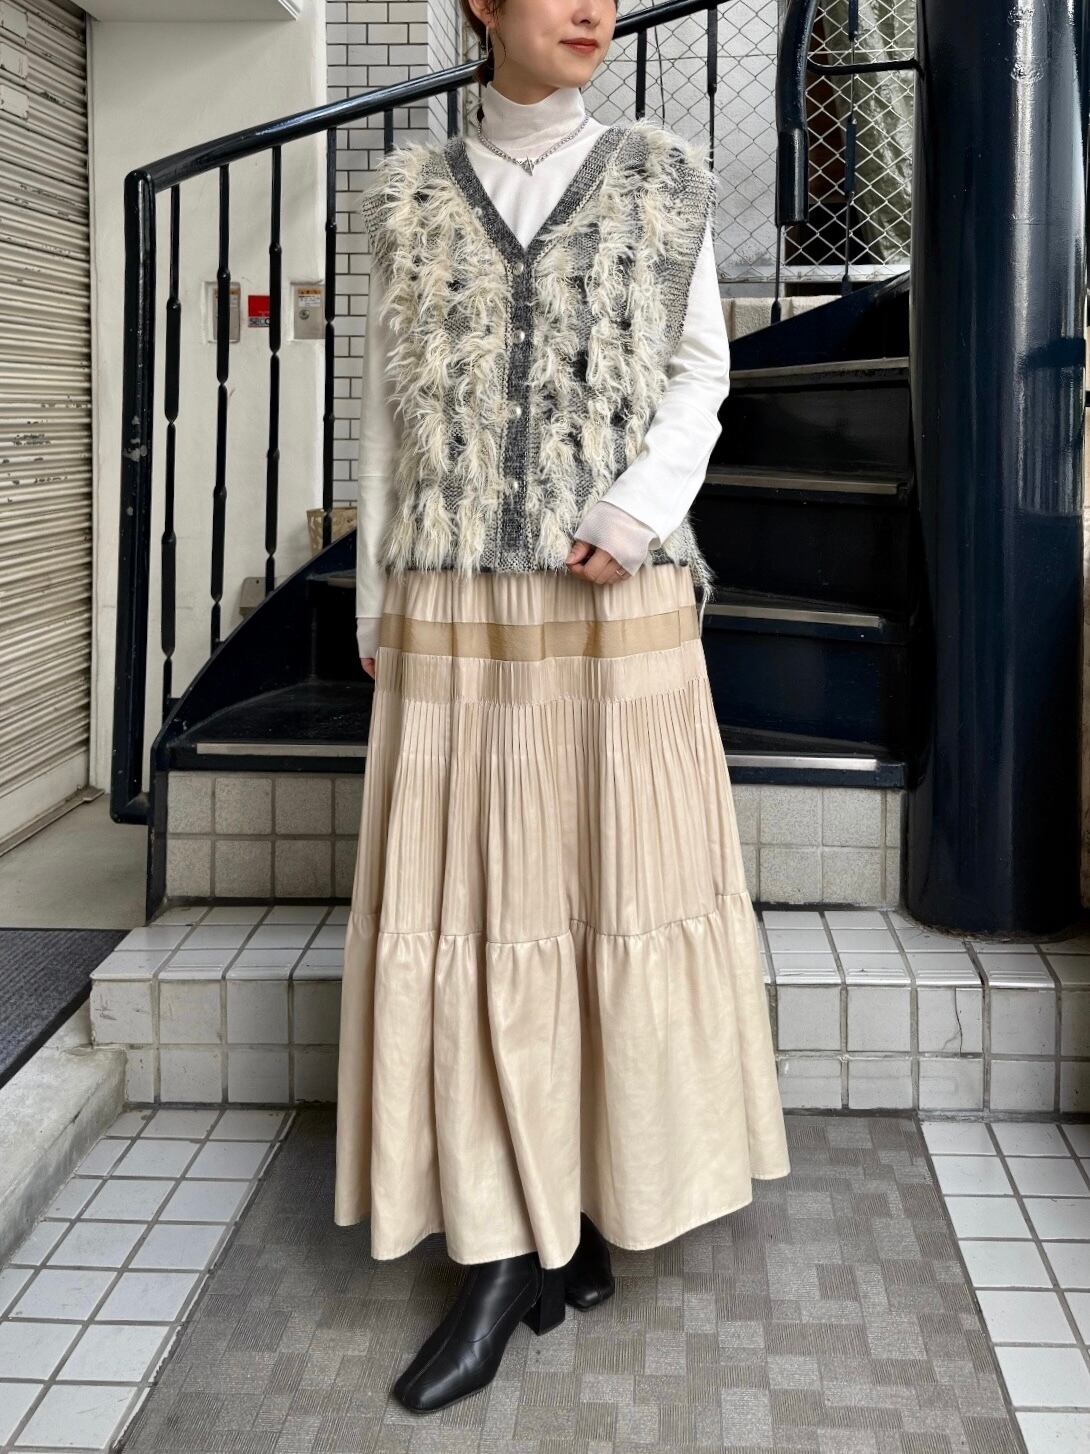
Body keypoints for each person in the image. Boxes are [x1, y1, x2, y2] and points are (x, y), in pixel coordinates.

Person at [334, 0, 790, 1416]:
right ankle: (497, 1246)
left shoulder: (662, 178)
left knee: (604, 898)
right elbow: (386, 416)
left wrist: (638, 511)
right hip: (457, 604)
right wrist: (374, 599)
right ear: (483, 4)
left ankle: (580, 1211)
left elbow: (700, 375)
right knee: (482, 910)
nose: (592, 7)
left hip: (615, 601)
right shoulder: (410, 199)